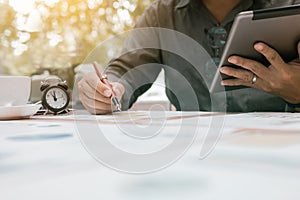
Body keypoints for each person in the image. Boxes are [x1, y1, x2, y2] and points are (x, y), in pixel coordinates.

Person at [78, 0, 300, 114]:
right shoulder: (162, 12)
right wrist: (109, 90)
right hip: (192, 152)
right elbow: (126, 71)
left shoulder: (291, 6)